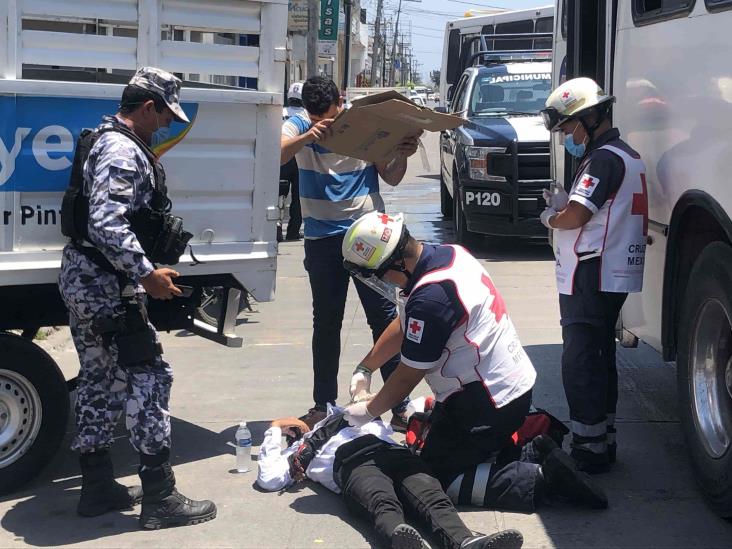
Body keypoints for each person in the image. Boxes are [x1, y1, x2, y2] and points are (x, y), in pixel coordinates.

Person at [339, 211, 608, 512]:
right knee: (437, 447)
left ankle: (541, 479)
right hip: (506, 387)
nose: (383, 281)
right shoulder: (450, 255)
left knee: (431, 479)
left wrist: (369, 410)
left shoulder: (431, 297)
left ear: (397, 263)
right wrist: (366, 367)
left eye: (380, 273)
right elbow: (405, 323)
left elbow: (408, 374)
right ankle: (534, 449)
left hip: (486, 404)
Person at [58, 67, 216, 528]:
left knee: (96, 378)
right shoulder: (122, 150)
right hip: (108, 285)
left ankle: (97, 487)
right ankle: (159, 496)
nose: (168, 123)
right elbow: (107, 224)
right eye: (166, 114)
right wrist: (145, 275)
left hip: (87, 279)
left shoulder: (106, 139)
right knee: (150, 375)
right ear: (148, 107)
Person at [280, 76, 422, 430]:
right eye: (316, 119)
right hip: (321, 238)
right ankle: (323, 404)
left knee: (385, 318)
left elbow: (391, 177)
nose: (323, 124)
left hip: (370, 239)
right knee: (326, 323)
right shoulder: (299, 123)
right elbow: (277, 153)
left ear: (340, 103)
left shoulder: (365, 124)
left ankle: (399, 404)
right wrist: (309, 136)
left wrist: (400, 155)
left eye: (328, 117)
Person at [539, 77, 648, 473]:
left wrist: (551, 216)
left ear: (589, 116)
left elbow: (578, 215)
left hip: (592, 270)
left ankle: (588, 448)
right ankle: (603, 437)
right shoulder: (626, 154)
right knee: (600, 356)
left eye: (569, 127)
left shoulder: (602, 159)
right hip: (611, 271)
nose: (568, 135)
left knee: (582, 359)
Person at [257, 411, 525, 549]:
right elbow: (269, 479)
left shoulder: (351, 416)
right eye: (307, 414)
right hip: (355, 464)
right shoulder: (297, 452)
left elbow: (376, 405)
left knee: (433, 499)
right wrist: (273, 428)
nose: (313, 414)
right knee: (382, 503)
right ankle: (403, 542)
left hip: (394, 455)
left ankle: (466, 542)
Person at [280, 81, 306, 241]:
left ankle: (275, 230)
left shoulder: (280, 112)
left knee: (275, 197)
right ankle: (293, 232)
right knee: (298, 198)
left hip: (281, 158)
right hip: (299, 160)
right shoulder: (305, 115)